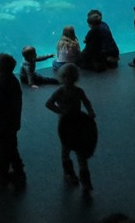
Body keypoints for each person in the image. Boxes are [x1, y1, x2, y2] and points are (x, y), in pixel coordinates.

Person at [45, 64, 97, 194]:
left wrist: (90, 111)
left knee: (80, 151)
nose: (70, 80)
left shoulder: (76, 91)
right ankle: (69, 174)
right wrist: (61, 112)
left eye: (72, 77)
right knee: (66, 149)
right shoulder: (61, 91)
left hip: (75, 123)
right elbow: (49, 103)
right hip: (67, 125)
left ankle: (85, 181)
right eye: (68, 77)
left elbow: (86, 102)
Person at [0, 53, 26, 187]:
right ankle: (19, 170)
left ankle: (3, 174)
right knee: (11, 147)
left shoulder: (2, 83)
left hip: (2, 123)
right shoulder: (12, 79)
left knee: (3, 148)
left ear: (0, 67)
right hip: (12, 121)